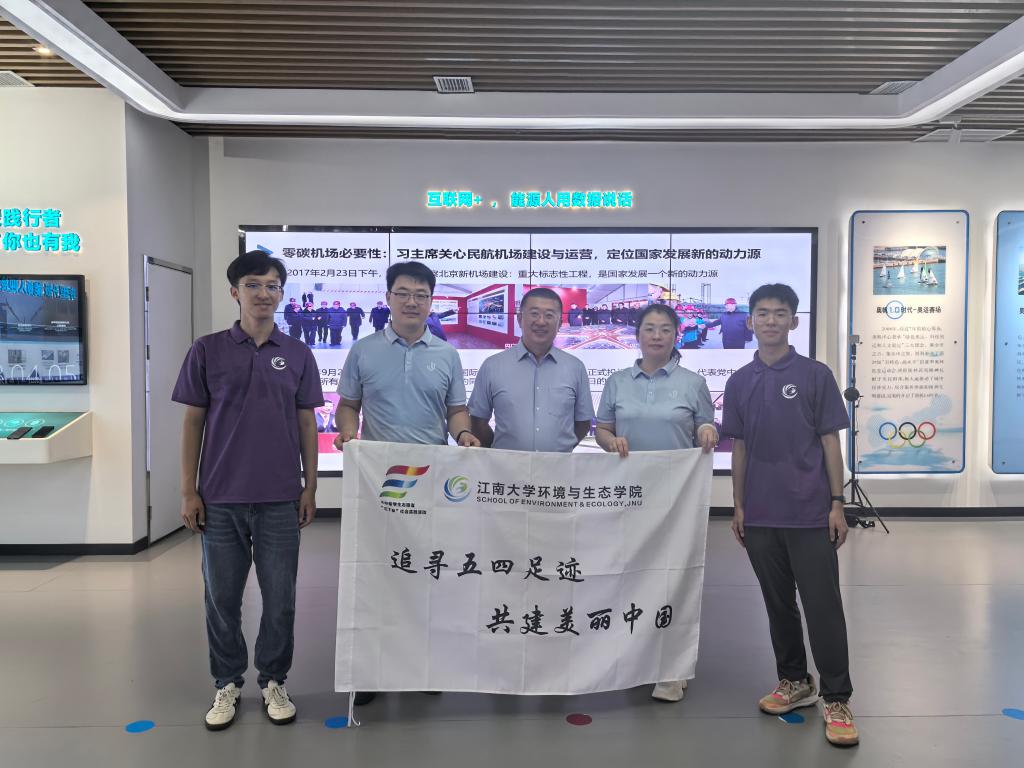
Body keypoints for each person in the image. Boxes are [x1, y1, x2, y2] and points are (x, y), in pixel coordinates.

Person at [172, 249, 321, 732]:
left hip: (280, 498)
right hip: (220, 499)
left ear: (282, 293)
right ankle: (227, 682)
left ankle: (274, 679)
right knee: (221, 599)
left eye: (272, 285)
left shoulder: (297, 353)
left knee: (281, 599)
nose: (264, 293)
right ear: (235, 292)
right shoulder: (207, 350)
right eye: (253, 284)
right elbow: (193, 422)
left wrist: (310, 486)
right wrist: (189, 490)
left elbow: (306, 423)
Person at [335, 261, 480, 706]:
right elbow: (348, 405)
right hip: (380, 482)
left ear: (431, 301)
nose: (412, 301)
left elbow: (456, 410)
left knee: (426, 574)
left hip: (431, 482)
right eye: (403, 293)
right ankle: (371, 671)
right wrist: (348, 433)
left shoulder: (447, 354)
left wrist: (463, 434)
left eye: (421, 294)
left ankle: (424, 665)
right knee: (376, 576)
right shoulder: (364, 351)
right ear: (388, 298)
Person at [722, 283, 858, 748]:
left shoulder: (815, 375)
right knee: (777, 604)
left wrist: (836, 502)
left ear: (794, 322)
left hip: (810, 513)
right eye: (762, 313)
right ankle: (795, 680)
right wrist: (739, 505)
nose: (771, 320)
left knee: (822, 606)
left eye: (780, 313)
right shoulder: (739, 380)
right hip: (760, 514)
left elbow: (830, 441)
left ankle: (837, 698)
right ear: (750, 321)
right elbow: (739, 448)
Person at [594, 303, 717, 703]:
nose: (657, 336)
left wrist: (706, 430)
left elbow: (705, 422)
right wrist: (610, 441)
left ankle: (671, 667)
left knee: (672, 580)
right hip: (628, 495)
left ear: (676, 335)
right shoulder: (617, 382)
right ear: (638, 335)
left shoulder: (693, 383)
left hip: (675, 498)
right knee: (630, 575)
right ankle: (635, 657)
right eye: (650, 328)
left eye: (665, 329)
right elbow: (602, 429)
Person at [469, 287, 594, 452]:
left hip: (559, 466)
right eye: (534, 314)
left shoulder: (575, 367)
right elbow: (477, 420)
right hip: (506, 466)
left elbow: (583, 423)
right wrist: (502, 452)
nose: (541, 322)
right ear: (520, 319)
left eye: (549, 315)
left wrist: (561, 449)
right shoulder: (492, 366)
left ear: (559, 323)